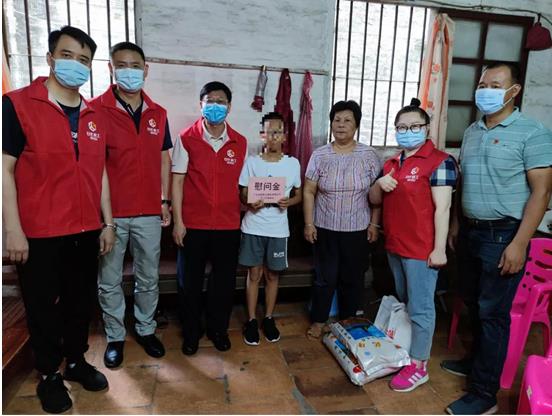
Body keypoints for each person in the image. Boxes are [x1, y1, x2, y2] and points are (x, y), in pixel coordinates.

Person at [2, 26, 114, 414]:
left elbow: (100, 171)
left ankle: (76, 362)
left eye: (84, 59)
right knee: (42, 307)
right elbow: (4, 169)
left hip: (85, 228)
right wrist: (13, 229)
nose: (75, 65)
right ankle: (49, 373)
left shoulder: (94, 114)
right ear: (50, 58)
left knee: (80, 302)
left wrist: (108, 222)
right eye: (67, 56)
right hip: (39, 231)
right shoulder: (17, 105)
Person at [443, 62, 552, 415]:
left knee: (493, 313)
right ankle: (475, 363)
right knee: (474, 303)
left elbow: (542, 192)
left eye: (495, 84)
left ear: (514, 90)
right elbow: (465, 183)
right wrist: (457, 224)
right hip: (471, 231)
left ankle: (484, 393)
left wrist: (519, 243)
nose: (485, 90)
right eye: (482, 84)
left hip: (504, 234)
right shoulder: (473, 131)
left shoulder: (533, 133)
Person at [369, 98, 457, 392]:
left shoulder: (440, 161)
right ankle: (408, 351)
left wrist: (439, 249)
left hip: (421, 249)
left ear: (427, 128)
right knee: (407, 301)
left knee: (421, 308)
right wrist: (379, 184)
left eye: (414, 126)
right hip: (395, 245)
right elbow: (374, 200)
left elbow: (443, 208)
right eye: (401, 127)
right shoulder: (391, 163)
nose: (407, 132)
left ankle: (419, 366)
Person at [93, 42, 172, 368]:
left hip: (149, 212)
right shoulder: (95, 110)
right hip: (111, 215)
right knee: (109, 279)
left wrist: (164, 200)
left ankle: (145, 329)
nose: (129, 71)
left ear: (146, 70)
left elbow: (164, 159)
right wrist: (106, 219)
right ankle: (114, 336)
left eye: (135, 66)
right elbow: (94, 166)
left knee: (148, 277)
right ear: (111, 69)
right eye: (122, 65)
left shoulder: (158, 113)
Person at [171, 81, 247, 355]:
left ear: (229, 106)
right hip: (193, 224)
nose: (216, 105)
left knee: (223, 283)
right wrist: (178, 222)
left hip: (228, 224)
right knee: (189, 283)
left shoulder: (240, 142)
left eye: (221, 101)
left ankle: (218, 330)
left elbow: (243, 185)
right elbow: (177, 181)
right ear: (201, 104)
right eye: (210, 101)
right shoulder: (186, 138)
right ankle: (191, 333)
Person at [303, 100, 382, 339]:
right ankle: (319, 320)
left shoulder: (368, 155)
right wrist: (309, 223)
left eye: (347, 120)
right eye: (337, 120)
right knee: (324, 278)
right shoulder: (320, 155)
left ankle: (348, 321)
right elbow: (309, 191)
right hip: (325, 227)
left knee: (352, 278)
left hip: (357, 228)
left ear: (356, 125)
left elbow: (377, 193)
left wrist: (374, 223)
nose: (341, 124)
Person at [239, 112, 302, 346]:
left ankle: (268, 318)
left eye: (278, 132)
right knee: (254, 274)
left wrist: (289, 202)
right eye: (269, 132)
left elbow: (298, 194)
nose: (273, 136)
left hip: (278, 230)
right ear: (262, 135)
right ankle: (251, 320)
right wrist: (249, 201)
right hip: (253, 227)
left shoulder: (292, 164)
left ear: (284, 136)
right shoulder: (251, 162)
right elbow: (243, 192)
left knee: (273, 275)